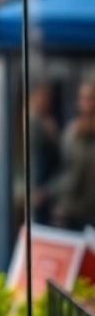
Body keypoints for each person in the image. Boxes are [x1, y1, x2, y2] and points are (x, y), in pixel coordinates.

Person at [55, 81, 95, 231]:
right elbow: (67, 172)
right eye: (83, 98)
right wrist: (61, 203)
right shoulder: (71, 133)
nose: (87, 103)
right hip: (73, 211)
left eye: (91, 98)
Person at [29, 83, 60, 225]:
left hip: (47, 189)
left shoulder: (50, 125)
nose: (44, 102)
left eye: (46, 99)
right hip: (35, 187)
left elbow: (58, 162)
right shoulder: (32, 122)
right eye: (41, 97)